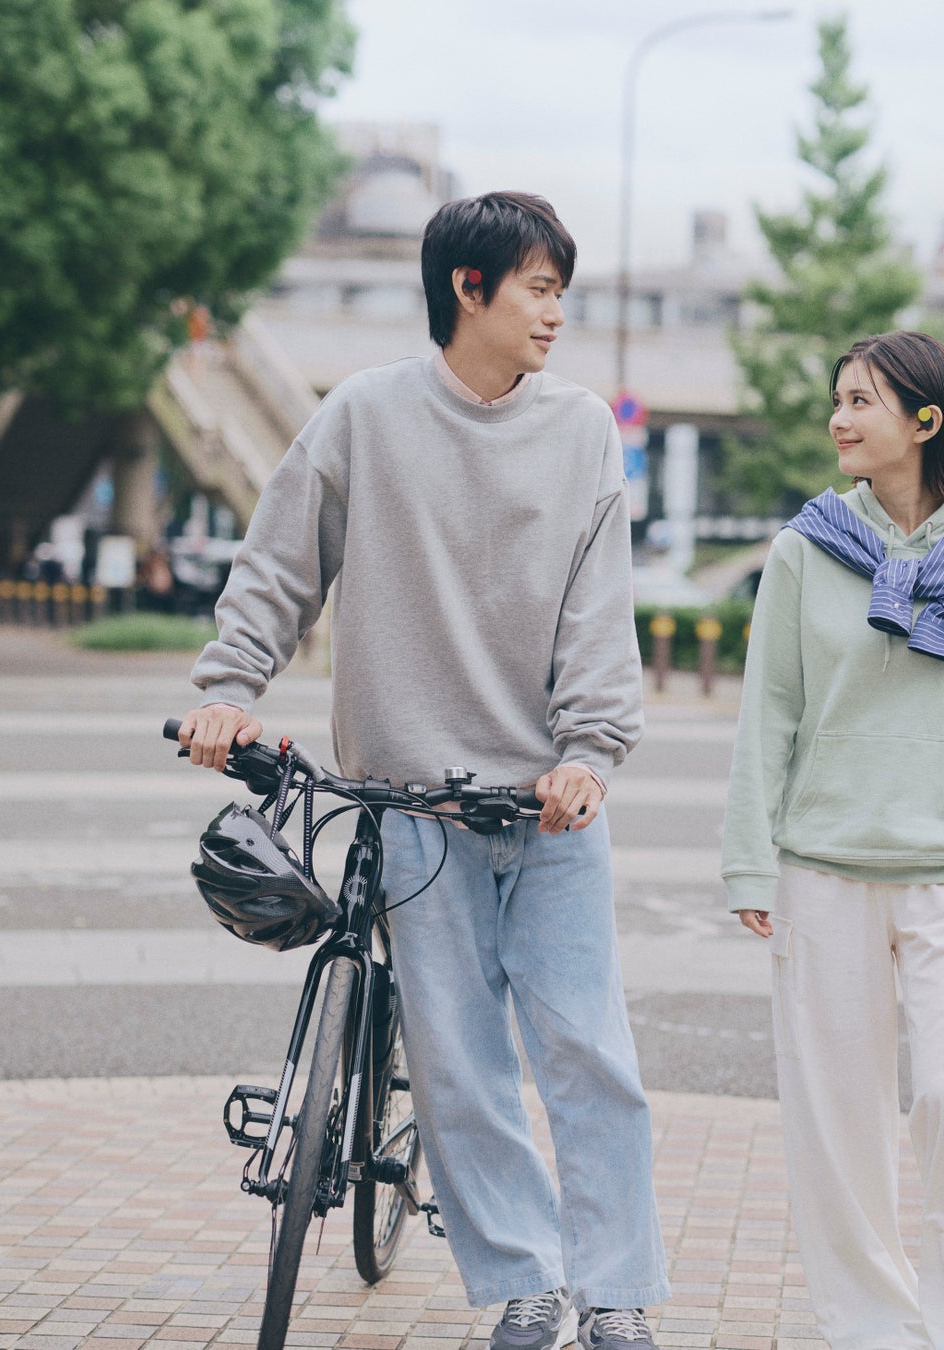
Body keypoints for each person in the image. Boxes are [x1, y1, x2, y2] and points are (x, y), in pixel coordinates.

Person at [179, 191, 669, 1350]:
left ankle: (613, 1299)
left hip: (553, 807)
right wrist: (227, 689)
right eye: (540, 287)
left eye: (561, 289)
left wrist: (592, 751)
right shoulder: (364, 417)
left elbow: (601, 613)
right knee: (459, 1066)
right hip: (414, 809)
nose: (556, 311)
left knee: (592, 1055)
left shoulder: (582, 430)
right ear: (470, 287)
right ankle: (525, 1283)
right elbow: (278, 562)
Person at [721, 331, 944, 1349]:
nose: (840, 419)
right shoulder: (805, 549)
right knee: (837, 1125)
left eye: (862, 401)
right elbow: (771, 717)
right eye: (836, 401)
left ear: (926, 421)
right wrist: (750, 856)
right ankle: (872, 1327)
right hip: (823, 871)